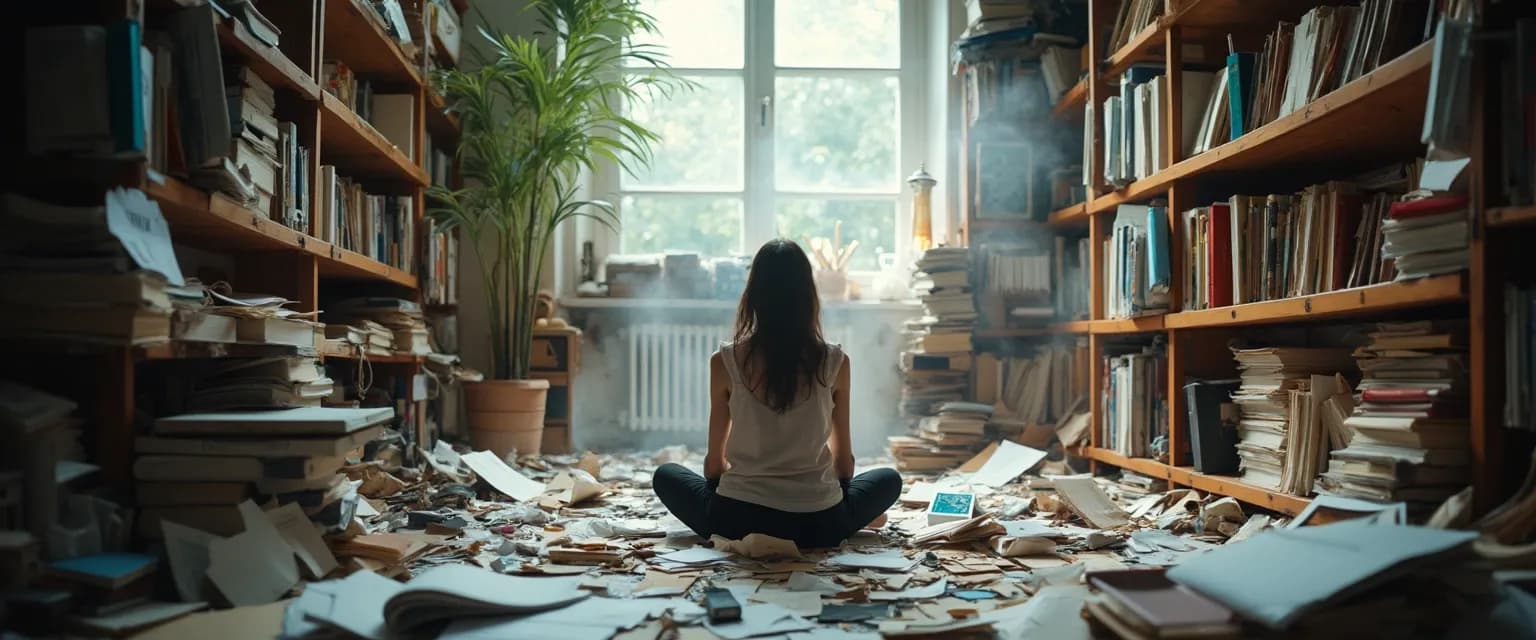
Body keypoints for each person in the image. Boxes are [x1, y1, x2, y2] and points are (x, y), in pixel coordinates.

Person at [652, 239, 902, 548]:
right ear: (809, 297)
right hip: (820, 525)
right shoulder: (836, 362)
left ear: (753, 296)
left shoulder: (724, 362)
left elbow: (714, 466)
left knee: (666, 475)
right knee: (888, 480)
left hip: (736, 521)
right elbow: (844, 466)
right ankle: (830, 520)